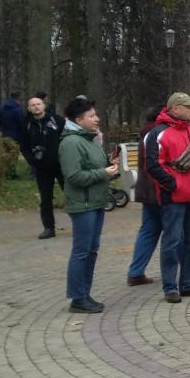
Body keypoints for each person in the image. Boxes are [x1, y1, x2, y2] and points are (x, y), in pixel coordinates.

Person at [145, 93, 190, 303]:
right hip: (173, 198)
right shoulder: (159, 133)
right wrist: (173, 185)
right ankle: (170, 287)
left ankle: (189, 284)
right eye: (188, 106)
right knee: (172, 242)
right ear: (174, 109)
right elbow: (153, 165)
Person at [58, 96, 120, 313]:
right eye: (92, 116)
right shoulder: (71, 142)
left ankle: (84, 293)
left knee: (91, 250)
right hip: (83, 205)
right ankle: (77, 297)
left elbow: (96, 168)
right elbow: (74, 176)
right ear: (78, 119)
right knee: (82, 251)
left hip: (95, 202)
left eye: (95, 115)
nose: (97, 119)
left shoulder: (88, 139)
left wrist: (110, 168)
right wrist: (102, 172)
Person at [127, 105, 166, 286]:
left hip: (146, 188)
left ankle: (136, 271)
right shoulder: (158, 132)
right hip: (158, 189)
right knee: (176, 231)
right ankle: (189, 269)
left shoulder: (147, 131)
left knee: (149, 231)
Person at [20, 95, 65, 239]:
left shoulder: (57, 120)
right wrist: (32, 161)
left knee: (71, 195)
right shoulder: (26, 125)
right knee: (45, 199)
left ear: (44, 105)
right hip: (42, 168)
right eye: (32, 105)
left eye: (38, 104)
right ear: (29, 108)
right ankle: (48, 228)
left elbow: (68, 137)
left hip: (61, 164)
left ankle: (80, 224)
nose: (36, 106)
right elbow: (24, 146)